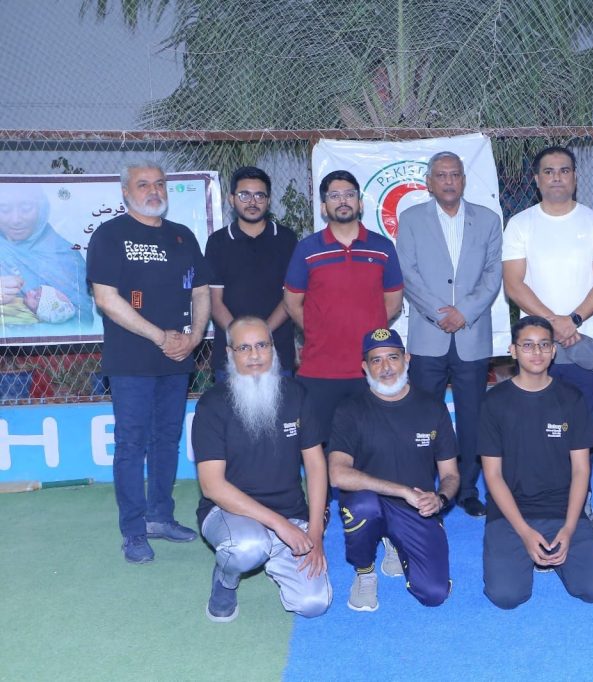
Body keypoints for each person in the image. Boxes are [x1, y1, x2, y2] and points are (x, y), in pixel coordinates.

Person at [86, 161, 211, 563]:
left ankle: (160, 516)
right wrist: (161, 337)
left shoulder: (182, 236)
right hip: (131, 362)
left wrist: (193, 338)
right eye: (143, 185)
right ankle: (134, 531)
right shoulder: (109, 235)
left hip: (177, 359)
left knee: (166, 441)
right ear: (126, 192)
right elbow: (106, 298)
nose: (153, 191)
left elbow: (202, 292)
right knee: (131, 444)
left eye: (159, 184)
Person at [192, 317, 331, 622]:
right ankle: (225, 581)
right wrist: (279, 525)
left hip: (291, 514)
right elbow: (213, 486)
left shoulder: (297, 395)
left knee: (313, 603)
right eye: (244, 348)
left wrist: (315, 533)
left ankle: (275, 556)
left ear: (273, 349)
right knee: (248, 545)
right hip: (231, 515)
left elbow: (316, 466)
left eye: (261, 345)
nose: (254, 355)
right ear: (230, 354)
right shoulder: (211, 405)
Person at [396, 151, 503, 518]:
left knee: (473, 416)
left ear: (463, 180)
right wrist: (441, 314)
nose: (448, 181)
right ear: (429, 181)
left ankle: (469, 488)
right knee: (425, 416)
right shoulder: (410, 220)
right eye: (441, 175)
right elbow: (408, 274)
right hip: (429, 334)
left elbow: (493, 275)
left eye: (455, 174)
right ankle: (426, 488)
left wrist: (465, 313)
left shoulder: (488, 220)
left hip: (472, 335)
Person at [478, 315, 593, 609]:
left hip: (561, 510)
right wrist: (525, 533)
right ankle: (528, 549)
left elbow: (580, 470)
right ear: (512, 350)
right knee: (507, 596)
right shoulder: (493, 402)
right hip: (511, 514)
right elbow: (493, 476)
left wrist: (569, 528)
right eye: (527, 345)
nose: (536, 353)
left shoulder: (571, 399)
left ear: (553, 351)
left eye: (543, 345)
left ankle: (557, 553)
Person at [328, 328, 459, 612]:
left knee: (434, 594)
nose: (386, 367)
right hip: (371, 501)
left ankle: (393, 539)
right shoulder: (350, 410)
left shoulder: (432, 408)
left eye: (393, 358)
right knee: (363, 506)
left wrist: (440, 499)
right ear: (365, 368)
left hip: (415, 507)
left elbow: (450, 474)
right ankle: (364, 571)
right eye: (376, 360)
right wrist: (402, 491)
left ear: (407, 359)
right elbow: (337, 474)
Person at [502, 146, 593, 434]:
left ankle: (578, 481)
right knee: (534, 429)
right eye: (548, 172)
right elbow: (514, 284)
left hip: (584, 342)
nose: (557, 177)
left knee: (579, 429)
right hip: (537, 347)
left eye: (564, 171)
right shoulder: (519, 224)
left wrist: (573, 321)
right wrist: (553, 324)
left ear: (575, 178)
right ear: (537, 180)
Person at [284, 170, 404, 435]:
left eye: (349, 195)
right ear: (324, 207)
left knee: (371, 446)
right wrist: (318, 332)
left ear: (360, 203)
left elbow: (393, 302)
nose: (343, 201)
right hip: (319, 370)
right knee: (320, 446)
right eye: (334, 196)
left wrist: (368, 333)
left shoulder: (382, 247)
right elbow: (292, 303)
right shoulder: (307, 249)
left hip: (370, 370)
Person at [205, 167, 298, 382]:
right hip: (231, 354)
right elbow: (214, 302)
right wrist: (241, 339)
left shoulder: (286, 239)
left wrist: (261, 338)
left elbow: (290, 298)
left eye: (259, 195)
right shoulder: (218, 242)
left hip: (277, 353)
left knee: (282, 415)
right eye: (244, 195)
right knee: (229, 416)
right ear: (231, 199)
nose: (252, 202)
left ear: (268, 199)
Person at [0, 183, 92, 325]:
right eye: (4, 209)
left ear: (41, 210)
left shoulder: (65, 255)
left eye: (26, 208)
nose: (16, 219)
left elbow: (83, 321)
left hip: (50, 347)